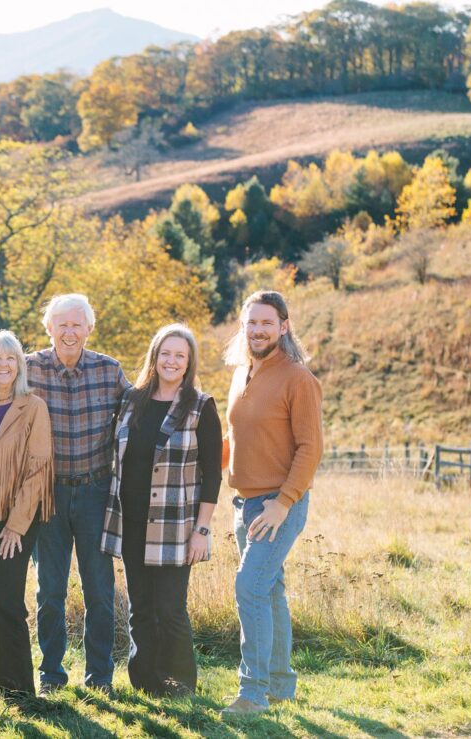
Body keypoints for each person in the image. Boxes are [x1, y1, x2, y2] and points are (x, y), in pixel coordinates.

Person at [99, 324, 221, 698]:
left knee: (170, 609)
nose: (171, 361)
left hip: (176, 527)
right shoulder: (130, 401)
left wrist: (202, 530)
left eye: (179, 356)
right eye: (165, 353)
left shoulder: (201, 406)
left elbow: (213, 474)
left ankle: (180, 683)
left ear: (188, 363)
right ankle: (146, 683)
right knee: (140, 609)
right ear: (155, 356)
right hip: (131, 523)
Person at [219, 291, 323, 716]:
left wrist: (282, 503)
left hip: (277, 505)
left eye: (266, 322)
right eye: (251, 323)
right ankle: (281, 684)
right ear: (243, 328)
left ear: (283, 326)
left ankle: (253, 693)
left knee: (250, 587)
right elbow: (236, 439)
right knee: (270, 589)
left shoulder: (298, 378)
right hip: (244, 503)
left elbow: (311, 448)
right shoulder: (242, 372)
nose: (258, 330)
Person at [25, 294, 129, 693]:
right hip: (47, 494)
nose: (69, 332)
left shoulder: (109, 370)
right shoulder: (29, 370)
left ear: (89, 328)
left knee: (99, 591)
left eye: (76, 325)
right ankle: (51, 674)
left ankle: (99, 676)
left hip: (95, 492)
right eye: (61, 325)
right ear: (49, 328)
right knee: (50, 590)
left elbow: (140, 415)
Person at [0, 330, 53, 702]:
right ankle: (1, 688)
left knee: (8, 600)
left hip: (20, 514)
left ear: (20, 365)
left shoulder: (32, 406)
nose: (3, 365)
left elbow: (38, 468)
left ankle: (21, 690)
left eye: (10, 358)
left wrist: (17, 525)